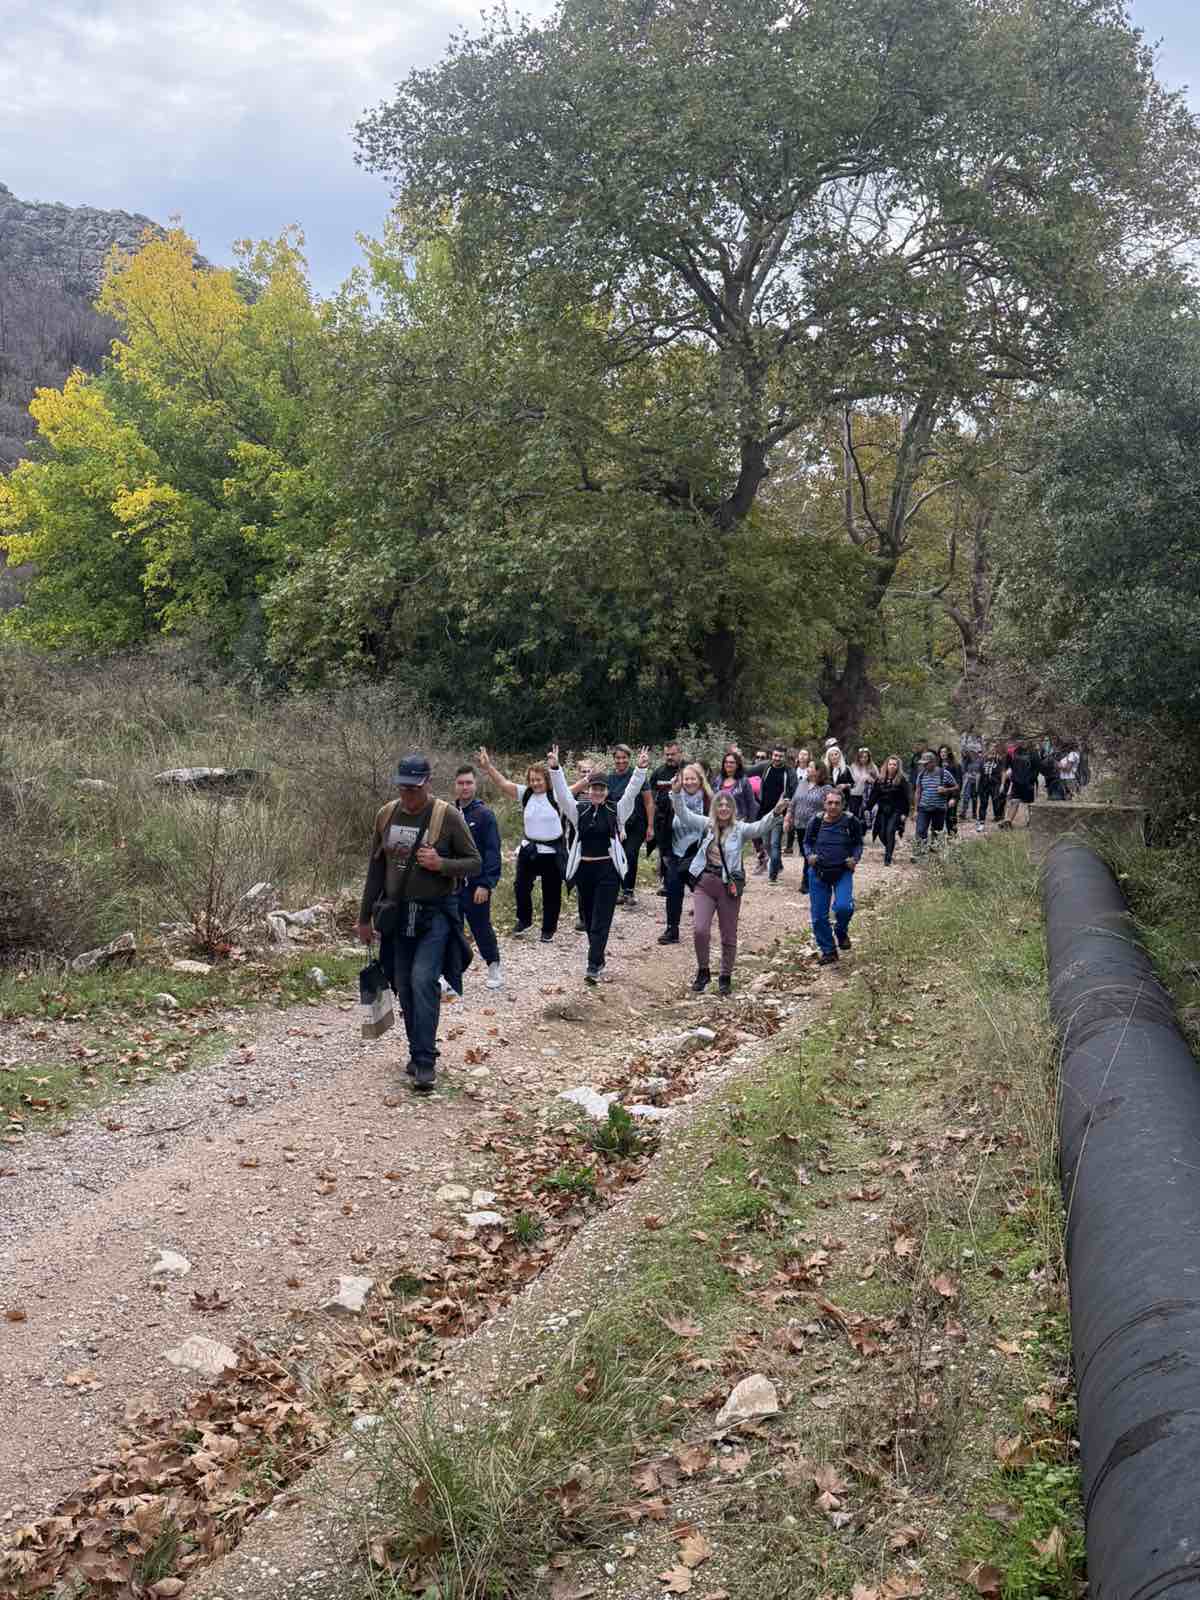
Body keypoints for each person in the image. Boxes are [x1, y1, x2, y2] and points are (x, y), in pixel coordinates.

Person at [357, 753, 481, 1092]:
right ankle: (416, 1052)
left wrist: (441, 863)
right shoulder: (386, 815)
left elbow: (474, 862)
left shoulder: (447, 816)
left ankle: (425, 1062)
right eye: (402, 788)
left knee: (423, 980)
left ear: (426, 783)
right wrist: (364, 918)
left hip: (435, 915)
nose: (407, 795)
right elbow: (375, 870)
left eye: (413, 788)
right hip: (396, 916)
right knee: (403, 985)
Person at [670, 774, 788, 994]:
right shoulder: (706, 824)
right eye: (720, 804)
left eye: (727, 804)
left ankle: (725, 975)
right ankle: (703, 971)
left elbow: (760, 827)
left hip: (728, 886)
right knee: (700, 930)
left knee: (728, 934)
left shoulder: (740, 829)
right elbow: (684, 815)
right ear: (715, 808)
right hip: (705, 883)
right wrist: (676, 793)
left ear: (732, 809)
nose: (723, 807)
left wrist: (776, 812)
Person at [548, 744, 650, 982]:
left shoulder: (617, 811)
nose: (597, 792)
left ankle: (593, 965)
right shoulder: (579, 811)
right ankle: (599, 956)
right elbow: (562, 796)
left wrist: (641, 769)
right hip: (584, 870)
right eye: (594, 787)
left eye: (602, 788)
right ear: (589, 789)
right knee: (589, 918)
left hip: (608, 871)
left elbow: (632, 792)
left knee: (601, 920)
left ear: (606, 791)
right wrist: (555, 769)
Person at [478, 747, 565, 941]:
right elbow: (502, 783)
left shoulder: (557, 795)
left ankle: (548, 929)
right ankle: (524, 920)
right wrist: (488, 766)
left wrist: (560, 768)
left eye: (538, 779)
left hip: (551, 852)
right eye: (531, 780)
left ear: (546, 780)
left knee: (551, 892)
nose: (535, 783)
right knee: (521, 886)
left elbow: (569, 788)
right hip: (529, 849)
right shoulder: (525, 794)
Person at [453, 764, 504, 990]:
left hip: (476, 886)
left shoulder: (485, 815)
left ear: (476, 785)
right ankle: (451, 974)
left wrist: (486, 884)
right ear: (455, 785)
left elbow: (493, 851)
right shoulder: (448, 813)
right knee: (451, 930)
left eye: (469, 783)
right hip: (452, 886)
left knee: (481, 928)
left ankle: (493, 965)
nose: (465, 787)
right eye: (461, 783)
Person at [804, 789, 864, 965]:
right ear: (824, 804)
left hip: (842, 871)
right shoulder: (815, 822)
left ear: (842, 805)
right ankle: (828, 951)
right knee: (819, 916)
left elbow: (858, 844)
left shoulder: (851, 821)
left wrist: (855, 858)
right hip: (818, 872)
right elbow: (807, 842)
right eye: (830, 803)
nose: (833, 806)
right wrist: (809, 856)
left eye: (837, 803)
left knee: (844, 907)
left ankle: (841, 931)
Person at [658, 761, 711, 944]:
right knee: (673, 890)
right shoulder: (671, 798)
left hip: (699, 853)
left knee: (703, 891)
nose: (689, 782)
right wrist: (664, 852)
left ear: (700, 780)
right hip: (675, 851)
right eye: (686, 778)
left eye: (692, 778)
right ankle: (672, 929)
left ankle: (703, 928)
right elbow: (662, 824)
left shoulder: (708, 800)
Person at [746, 745, 799, 882]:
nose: (777, 758)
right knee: (767, 844)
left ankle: (772, 875)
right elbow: (748, 771)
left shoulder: (789, 771)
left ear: (784, 757)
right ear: (772, 755)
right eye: (775, 755)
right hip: (764, 813)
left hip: (780, 813)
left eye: (780, 756)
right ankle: (778, 865)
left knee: (775, 843)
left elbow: (794, 790)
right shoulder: (766, 767)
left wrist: (788, 808)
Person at [605, 744, 648, 906]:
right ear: (614, 759)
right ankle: (617, 890)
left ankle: (628, 890)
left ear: (629, 759)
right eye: (617, 758)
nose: (620, 761)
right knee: (616, 855)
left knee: (630, 853)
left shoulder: (636, 775)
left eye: (624, 758)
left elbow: (648, 801)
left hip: (636, 823)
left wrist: (650, 826)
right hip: (617, 824)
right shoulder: (609, 778)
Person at [788, 762, 836, 894]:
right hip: (800, 825)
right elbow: (794, 801)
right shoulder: (802, 783)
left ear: (818, 771)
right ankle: (814, 879)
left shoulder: (826, 788)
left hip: (816, 826)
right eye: (808, 767)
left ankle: (806, 883)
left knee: (809, 853)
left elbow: (834, 804)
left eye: (811, 767)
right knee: (805, 854)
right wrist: (788, 817)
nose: (808, 769)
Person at [646, 738, 686, 893]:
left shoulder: (688, 770)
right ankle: (666, 882)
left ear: (680, 753)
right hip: (663, 818)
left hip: (684, 818)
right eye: (667, 754)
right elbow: (650, 794)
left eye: (673, 754)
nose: (670, 757)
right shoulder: (658, 772)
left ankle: (686, 880)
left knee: (683, 849)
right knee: (664, 852)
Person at [911, 750, 958, 858]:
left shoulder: (944, 773)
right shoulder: (921, 775)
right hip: (924, 808)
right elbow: (918, 792)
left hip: (939, 809)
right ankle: (918, 853)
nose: (924, 766)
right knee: (920, 830)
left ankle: (933, 854)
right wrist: (915, 810)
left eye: (926, 763)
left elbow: (956, 787)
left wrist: (946, 790)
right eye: (923, 764)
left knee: (936, 832)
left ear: (933, 762)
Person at [869, 755, 910, 865]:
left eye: (894, 765)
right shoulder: (880, 779)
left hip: (896, 809)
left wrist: (905, 813)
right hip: (883, 809)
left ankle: (888, 858)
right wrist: (868, 808)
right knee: (882, 834)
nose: (892, 766)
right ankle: (890, 846)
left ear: (898, 767)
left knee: (890, 831)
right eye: (890, 764)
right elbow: (874, 795)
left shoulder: (901, 780)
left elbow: (906, 798)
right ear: (886, 765)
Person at [1002, 742, 1037, 829]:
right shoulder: (1012, 752)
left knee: (1029, 804)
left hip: (1028, 782)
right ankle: (1008, 821)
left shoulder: (1033, 752)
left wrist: (1032, 780)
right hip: (1017, 782)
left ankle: (1031, 822)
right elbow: (1006, 767)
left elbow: (1036, 768)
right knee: (1014, 801)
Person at [716, 750, 759, 822]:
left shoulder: (743, 781)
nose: (728, 764)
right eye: (726, 762)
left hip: (738, 821)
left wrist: (750, 823)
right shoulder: (718, 780)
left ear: (737, 765)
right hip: (720, 821)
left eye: (731, 762)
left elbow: (751, 804)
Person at [784, 748, 811, 855]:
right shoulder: (792, 770)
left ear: (809, 757)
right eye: (801, 754)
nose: (803, 756)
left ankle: (803, 847)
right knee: (791, 821)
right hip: (793, 798)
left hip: (806, 799)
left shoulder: (810, 770)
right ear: (797, 757)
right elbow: (788, 785)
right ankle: (789, 846)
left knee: (803, 823)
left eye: (805, 755)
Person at [976, 747, 1007, 830]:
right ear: (986, 753)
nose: (991, 755)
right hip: (984, 785)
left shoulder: (999, 761)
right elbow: (978, 774)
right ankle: (981, 822)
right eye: (990, 753)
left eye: (993, 753)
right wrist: (977, 786)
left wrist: (1002, 785)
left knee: (996, 801)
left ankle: (999, 818)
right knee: (983, 803)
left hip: (995, 784)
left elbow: (1003, 772)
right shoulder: (982, 761)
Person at [937, 745, 964, 836]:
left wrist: (954, 798)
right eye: (941, 752)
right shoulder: (936, 766)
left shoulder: (956, 766)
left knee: (950, 817)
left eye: (944, 752)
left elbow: (959, 783)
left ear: (949, 753)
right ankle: (938, 839)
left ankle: (952, 837)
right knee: (938, 818)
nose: (942, 754)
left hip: (951, 795)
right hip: (938, 797)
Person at [849, 747, 879, 822]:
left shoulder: (873, 767)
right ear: (858, 757)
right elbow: (850, 780)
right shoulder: (853, 766)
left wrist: (871, 780)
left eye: (865, 757)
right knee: (854, 815)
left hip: (867, 796)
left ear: (869, 757)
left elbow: (878, 782)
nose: (863, 759)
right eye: (861, 757)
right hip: (855, 794)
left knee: (864, 816)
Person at [827, 747, 854, 811]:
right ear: (829, 757)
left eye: (836, 754)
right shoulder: (826, 770)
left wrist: (845, 785)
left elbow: (853, 784)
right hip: (829, 800)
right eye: (831, 755)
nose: (834, 757)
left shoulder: (846, 769)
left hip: (843, 800)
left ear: (840, 755)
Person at [960, 746, 983, 822]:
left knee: (974, 798)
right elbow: (963, 771)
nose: (972, 753)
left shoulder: (980, 760)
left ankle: (974, 814)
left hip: (976, 781)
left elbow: (981, 771)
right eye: (970, 752)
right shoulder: (966, 760)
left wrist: (976, 776)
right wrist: (969, 775)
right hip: (968, 781)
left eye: (973, 752)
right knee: (966, 797)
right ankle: (963, 813)